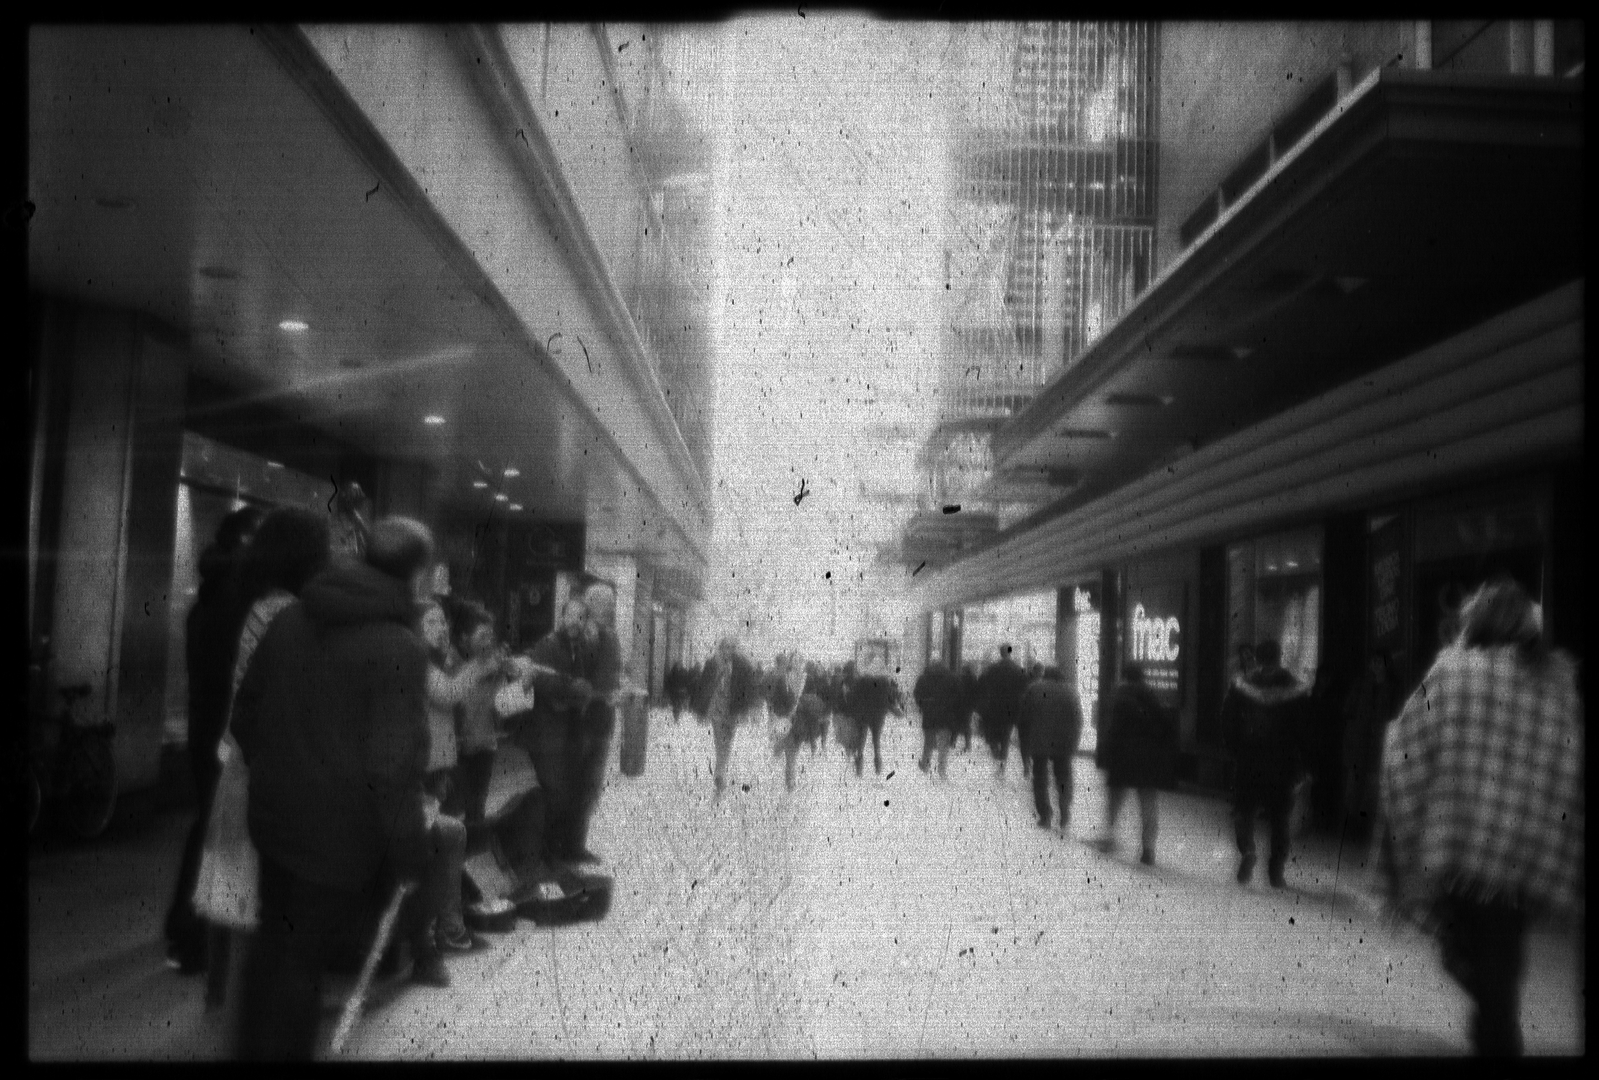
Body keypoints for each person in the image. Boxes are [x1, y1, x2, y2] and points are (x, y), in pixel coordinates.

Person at [230, 516, 438, 1060]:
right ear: (417, 575)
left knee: (274, 944)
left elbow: (244, 715)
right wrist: (410, 851)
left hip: (274, 821)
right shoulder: (400, 646)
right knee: (301, 961)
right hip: (340, 840)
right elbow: (394, 766)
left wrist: (279, 773)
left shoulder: (289, 619)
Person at [1379, 577, 1583, 1058]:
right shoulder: (1557, 684)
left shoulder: (1452, 674)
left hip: (1458, 849)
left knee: (1470, 956)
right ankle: (1496, 1025)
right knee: (1502, 956)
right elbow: (1568, 766)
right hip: (1524, 854)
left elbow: (1404, 751)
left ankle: (1495, 1030)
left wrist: (1406, 829)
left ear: (1475, 620)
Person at [191, 506, 331, 1007]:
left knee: (230, 875)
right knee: (262, 878)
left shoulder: (248, 599)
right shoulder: (283, 611)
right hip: (270, 759)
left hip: (239, 753)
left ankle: (219, 987)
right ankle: (258, 996)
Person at [166, 505, 267, 974]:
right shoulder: (241, 603)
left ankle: (190, 934)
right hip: (229, 732)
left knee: (210, 825)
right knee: (218, 831)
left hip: (206, 727)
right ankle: (196, 937)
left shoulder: (210, 596)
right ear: (245, 541)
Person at [418, 599, 501, 956]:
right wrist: (479, 668)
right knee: (442, 846)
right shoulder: (420, 665)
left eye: (442, 621)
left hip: (440, 767)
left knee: (449, 841)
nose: (441, 628)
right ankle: (442, 930)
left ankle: (448, 925)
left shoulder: (438, 662)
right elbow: (448, 693)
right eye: (431, 622)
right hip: (426, 772)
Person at [1221, 637, 1308, 887]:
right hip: (1282, 761)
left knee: (1243, 810)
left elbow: (1227, 720)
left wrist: (1236, 750)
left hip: (1249, 759)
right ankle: (1275, 872)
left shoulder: (1242, 685)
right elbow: (1305, 729)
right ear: (1279, 657)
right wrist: (1302, 761)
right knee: (1280, 818)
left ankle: (1248, 850)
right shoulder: (1295, 689)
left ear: (1257, 658)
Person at [518, 596, 597, 862]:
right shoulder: (548, 644)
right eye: (571, 615)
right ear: (561, 617)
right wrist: (572, 688)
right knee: (554, 792)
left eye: (581, 617)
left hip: (569, 732)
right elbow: (539, 680)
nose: (575, 622)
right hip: (547, 733)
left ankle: (565, 850)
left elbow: (582, 685)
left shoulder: (579, 648)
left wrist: (581, 692)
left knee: (571, 791)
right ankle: (548, 853)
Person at [1093, 665, 1176, 862]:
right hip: (1147, 756)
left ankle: (1109, 837)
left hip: (1122, 756)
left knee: (1115, 800)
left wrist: (1106, 754)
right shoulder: (1150, 695)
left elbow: (1113, 730)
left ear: (1124, 677)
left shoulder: (1119, 696)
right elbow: (1166, 724)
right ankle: (1148, 849)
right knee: (1148, 802)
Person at [571, 581, 622, 863]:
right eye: (606, 603)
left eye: (612, 603)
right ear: (590, 605)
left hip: (603, 720)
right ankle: (569, 845)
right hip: (585, 720)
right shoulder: (585, 636)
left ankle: (577, 844)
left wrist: (619, 688)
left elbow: (612, 674)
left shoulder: (611, 636)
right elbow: (577, 680)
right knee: (579, 784)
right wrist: (606, 694)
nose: (611, 607)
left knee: (591, 786)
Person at [1339, 650, 1397, 847]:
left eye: (1380, 662)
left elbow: (1394, 713)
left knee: (1373, 788)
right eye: (1374, 662)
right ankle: (1350, 829)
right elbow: (1348, 708)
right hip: (1359, 742)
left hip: (1379, 742)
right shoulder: (1361, 684)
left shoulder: (1392, 687)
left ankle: (1366, 831)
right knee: (1353, 787)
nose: (1376, 666)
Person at [1021, 666, 1083, 831]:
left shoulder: (1034, 689)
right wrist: (1074, 742)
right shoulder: (1071, 692)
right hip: (1064, 742)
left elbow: (1024, 717)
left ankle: (1045, 815)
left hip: (1039, 741)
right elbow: (1078, 719)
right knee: (1063, 776)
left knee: (1040, 777)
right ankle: (1064, 809)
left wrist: (1025, 746)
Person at [976, 645, 1030, 777]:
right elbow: (1025, 689)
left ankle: (997, 756)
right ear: (1010, 653)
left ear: (1000, 653)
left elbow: (981, 685)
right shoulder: (1019, 670)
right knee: (1005, 739)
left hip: (993, 709)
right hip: (1011, 710)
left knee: (992, 737)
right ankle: (1001, 766)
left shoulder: (992, 669)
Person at [914, 660, 962, 778]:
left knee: (928, 743)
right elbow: (959, 696)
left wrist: (924, 705)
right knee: (943, 745)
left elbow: (917, 695)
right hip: (946, 716)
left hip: (929, 715)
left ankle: (925, 765)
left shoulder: (924, 678)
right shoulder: (952, 678)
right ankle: (942, 770)